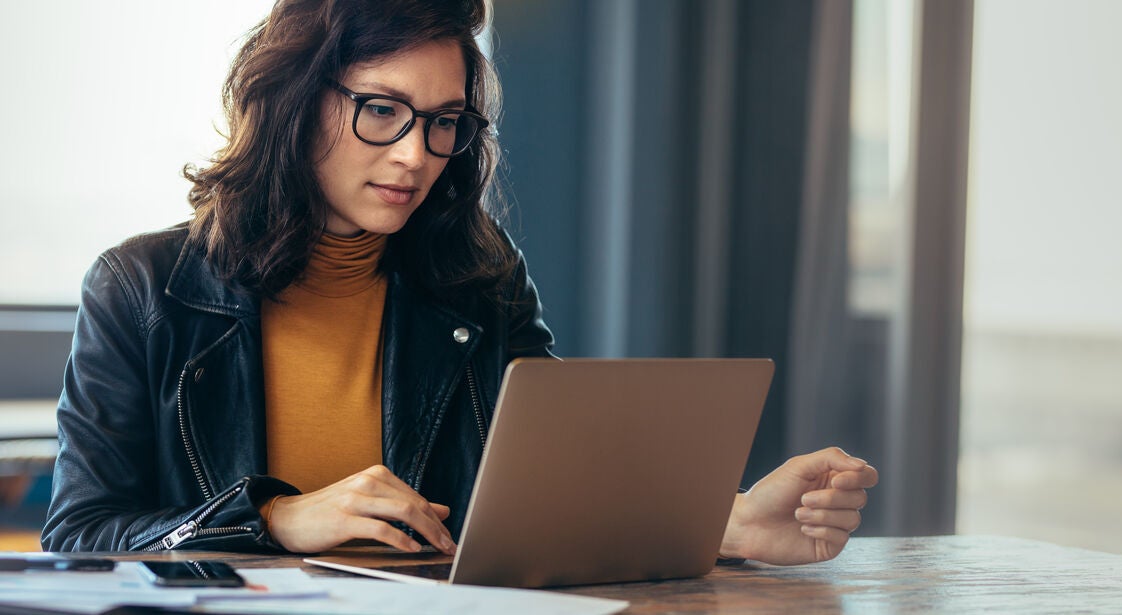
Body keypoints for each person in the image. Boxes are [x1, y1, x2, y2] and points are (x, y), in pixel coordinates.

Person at [41, 0, 878, 565]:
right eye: (381, 109)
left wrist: (727, 521)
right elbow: (79, 536)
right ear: (293, 100)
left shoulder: (478, 273)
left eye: (444, 122)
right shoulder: (143, 288)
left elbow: (554, 487)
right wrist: (272, 520)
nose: (415, 154)